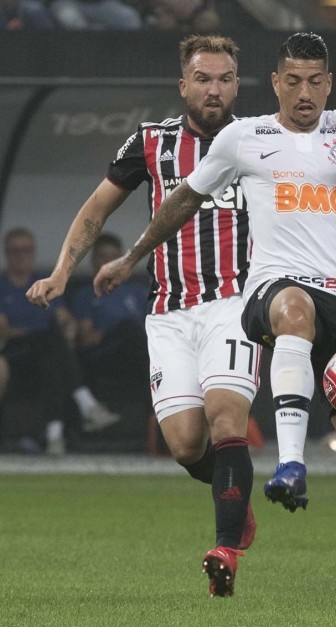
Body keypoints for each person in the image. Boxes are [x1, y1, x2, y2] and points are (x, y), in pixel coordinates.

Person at [92, 32, 336, 605]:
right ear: (277, 84)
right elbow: (184, 199)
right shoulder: (245, 137)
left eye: (316, 82)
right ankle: (290, 463)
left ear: (328, 84)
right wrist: (133, 256)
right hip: (271, 288)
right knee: (294, 308)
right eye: (293, 81)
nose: (304, 93)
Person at [27, 35, 257, 598]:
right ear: (184, 86)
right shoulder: (152, 142)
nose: (214, 88)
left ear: (236, 84)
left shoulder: (259, 142)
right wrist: (62, 272)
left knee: (227, 416)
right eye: (203, 78)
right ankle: (236, 500)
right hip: (169, 312)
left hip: (234, 304)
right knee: (184, 444)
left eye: (225, 78)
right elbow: (96, 209)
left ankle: (225, 547)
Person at [2, 227, 121, 455]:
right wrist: (34, 331)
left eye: (26, 250)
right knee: (50, 341)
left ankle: (54, 437)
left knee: (53, 358)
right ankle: (86, 405)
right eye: (15, 251)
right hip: (16, 355)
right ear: (7, 253)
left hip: (47, 355)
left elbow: (65, 320)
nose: (21, 255)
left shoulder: (42, 284)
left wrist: (69, 329)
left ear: (34, 252)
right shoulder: (2, 286)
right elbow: (5, 330)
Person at [68, 233, 150, 409]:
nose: (110, 263)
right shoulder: (86, 294)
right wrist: (115, 331)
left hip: (138, 351)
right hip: (104, 354)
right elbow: (86, 340)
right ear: (94, 260)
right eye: (104, 257)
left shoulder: (137, 291)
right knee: (128, 327)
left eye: (115, 258)